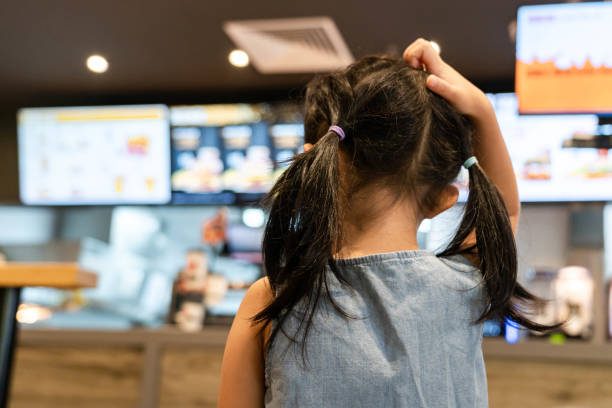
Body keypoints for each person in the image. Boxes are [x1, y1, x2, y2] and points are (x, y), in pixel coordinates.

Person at [218, 39, 555, 407]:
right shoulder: (465, 286)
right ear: (442, 199)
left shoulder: (270, 300)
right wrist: (483, 111)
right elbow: (504, 214)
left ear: (315, 167)